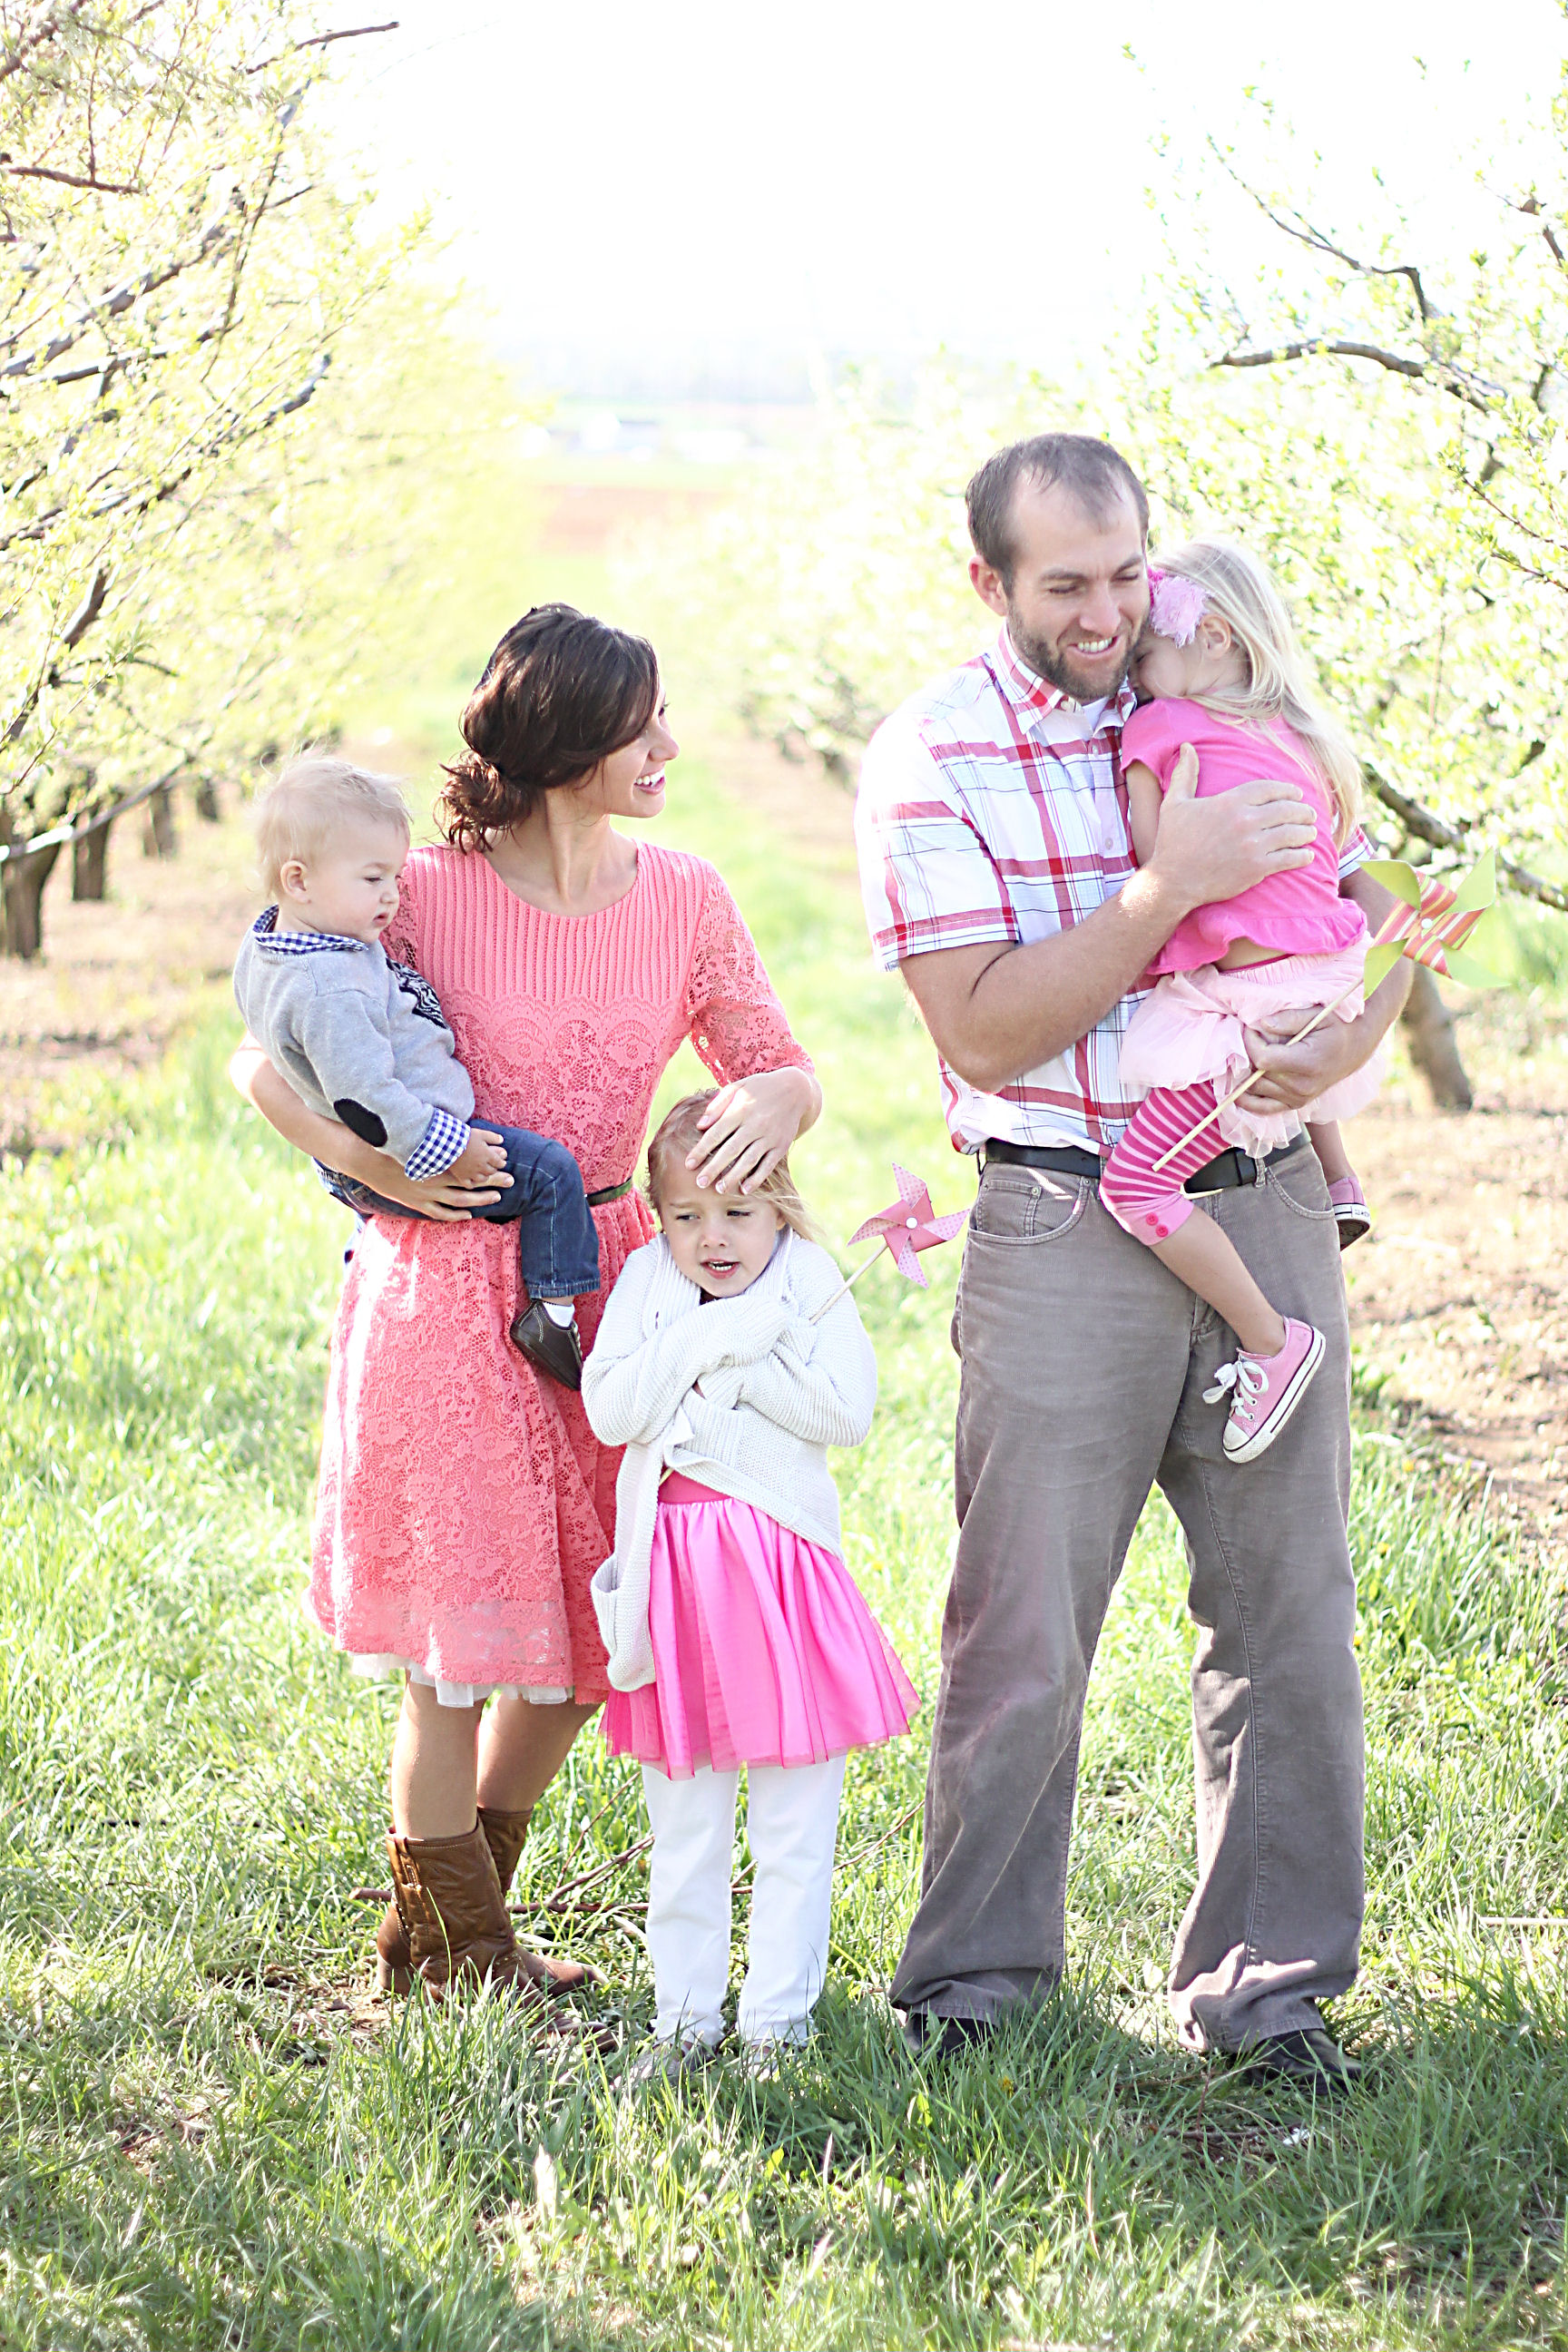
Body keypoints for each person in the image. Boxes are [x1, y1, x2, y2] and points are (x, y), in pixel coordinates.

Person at [855, 433, 1411, 2092]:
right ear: (991, 586)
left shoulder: (1223, 686)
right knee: (1023, 1614)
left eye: (1125, 575)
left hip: (1258, 1198)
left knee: (1286, 1608)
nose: (1106, 613)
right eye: (1065, 586)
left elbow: (1370, 892)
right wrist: (1168, 885)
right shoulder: (931, 756)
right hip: (1058, 1208)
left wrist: (1347, 1038)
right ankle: (977, 1979)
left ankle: (1272, 1991)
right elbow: (985, 1018)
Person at [230, 603, 820, 2000]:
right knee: (458, 1640)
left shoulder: (687, 896)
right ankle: (463, 1944)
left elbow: (776, 1055)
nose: (668, 745)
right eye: (643, 722)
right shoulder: (415, 891)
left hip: (612, 1287)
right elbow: (262, 1061)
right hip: (441, 1289)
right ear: (566, 741)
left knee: (582, 1631)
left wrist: (780, 1098)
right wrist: (371, 1164)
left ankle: (444, 1927)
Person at [582, 1093, 916, 2066]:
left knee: (792, 1823)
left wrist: (742, 1363)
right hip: (675, 1581)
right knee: (685, 1829)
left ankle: (778, 2023)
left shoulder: (811, 1280)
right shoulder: (648, 1281)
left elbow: (843, 1413)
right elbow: (613, 1408)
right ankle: (683, 2021)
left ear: (779, 1204)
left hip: (778, 1575)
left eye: (737, 1213)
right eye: (686, 1216)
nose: (712, 1238)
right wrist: (712, 1339)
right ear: (656, 1216)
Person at [1098, 538, 1387, 1465]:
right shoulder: (1301, 736)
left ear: (1211, 636)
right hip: (1330, 976)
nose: (1132, 671)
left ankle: (1271, 1339)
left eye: (1145, 650)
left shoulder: (1159, 728)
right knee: (1293, 1070)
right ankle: (1340, 1180)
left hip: (1245, 995)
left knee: (1136, 1184)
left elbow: (1158, 861)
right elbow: (1357, 875)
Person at [233, 751, 599, 1389]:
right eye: (373, 879)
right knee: (550, 1173)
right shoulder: (332, 989)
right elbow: (364, 1100)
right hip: (407, 1144)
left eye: (395, 878)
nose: (392, 897)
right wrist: (445, 1148)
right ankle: (556, 1316)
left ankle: (360, 1251)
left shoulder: (277, 943)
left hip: (364, 1160)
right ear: (299, 880)